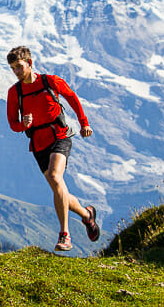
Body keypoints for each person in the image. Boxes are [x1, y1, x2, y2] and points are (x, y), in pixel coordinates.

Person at [6, 46, 99, 251]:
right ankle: (86, 215)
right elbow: (12, 123)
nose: (17, 72)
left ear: (30, 63)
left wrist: (84, 123)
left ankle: (65, 235)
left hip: (60, 136)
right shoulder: (15, 92)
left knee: (56, 178)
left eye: (19, 67)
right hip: (38, 144)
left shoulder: (49, 81)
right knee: (59, 188)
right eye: (13, 69)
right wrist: (23, 125)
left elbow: (72, 97)